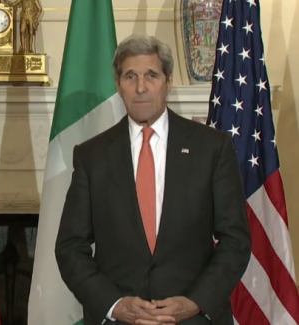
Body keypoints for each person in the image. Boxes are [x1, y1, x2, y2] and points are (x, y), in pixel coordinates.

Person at [54, 34, 251, 325]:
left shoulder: (212, 147)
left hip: (194, 318)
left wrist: (195, 302)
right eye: (130, 76)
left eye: (152, 75)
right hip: (120, 319)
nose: (141, 87)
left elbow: (235, 239)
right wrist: (114, 305)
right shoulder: (91, 156)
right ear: (118, 85)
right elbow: (70, 247)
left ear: (168, 81)